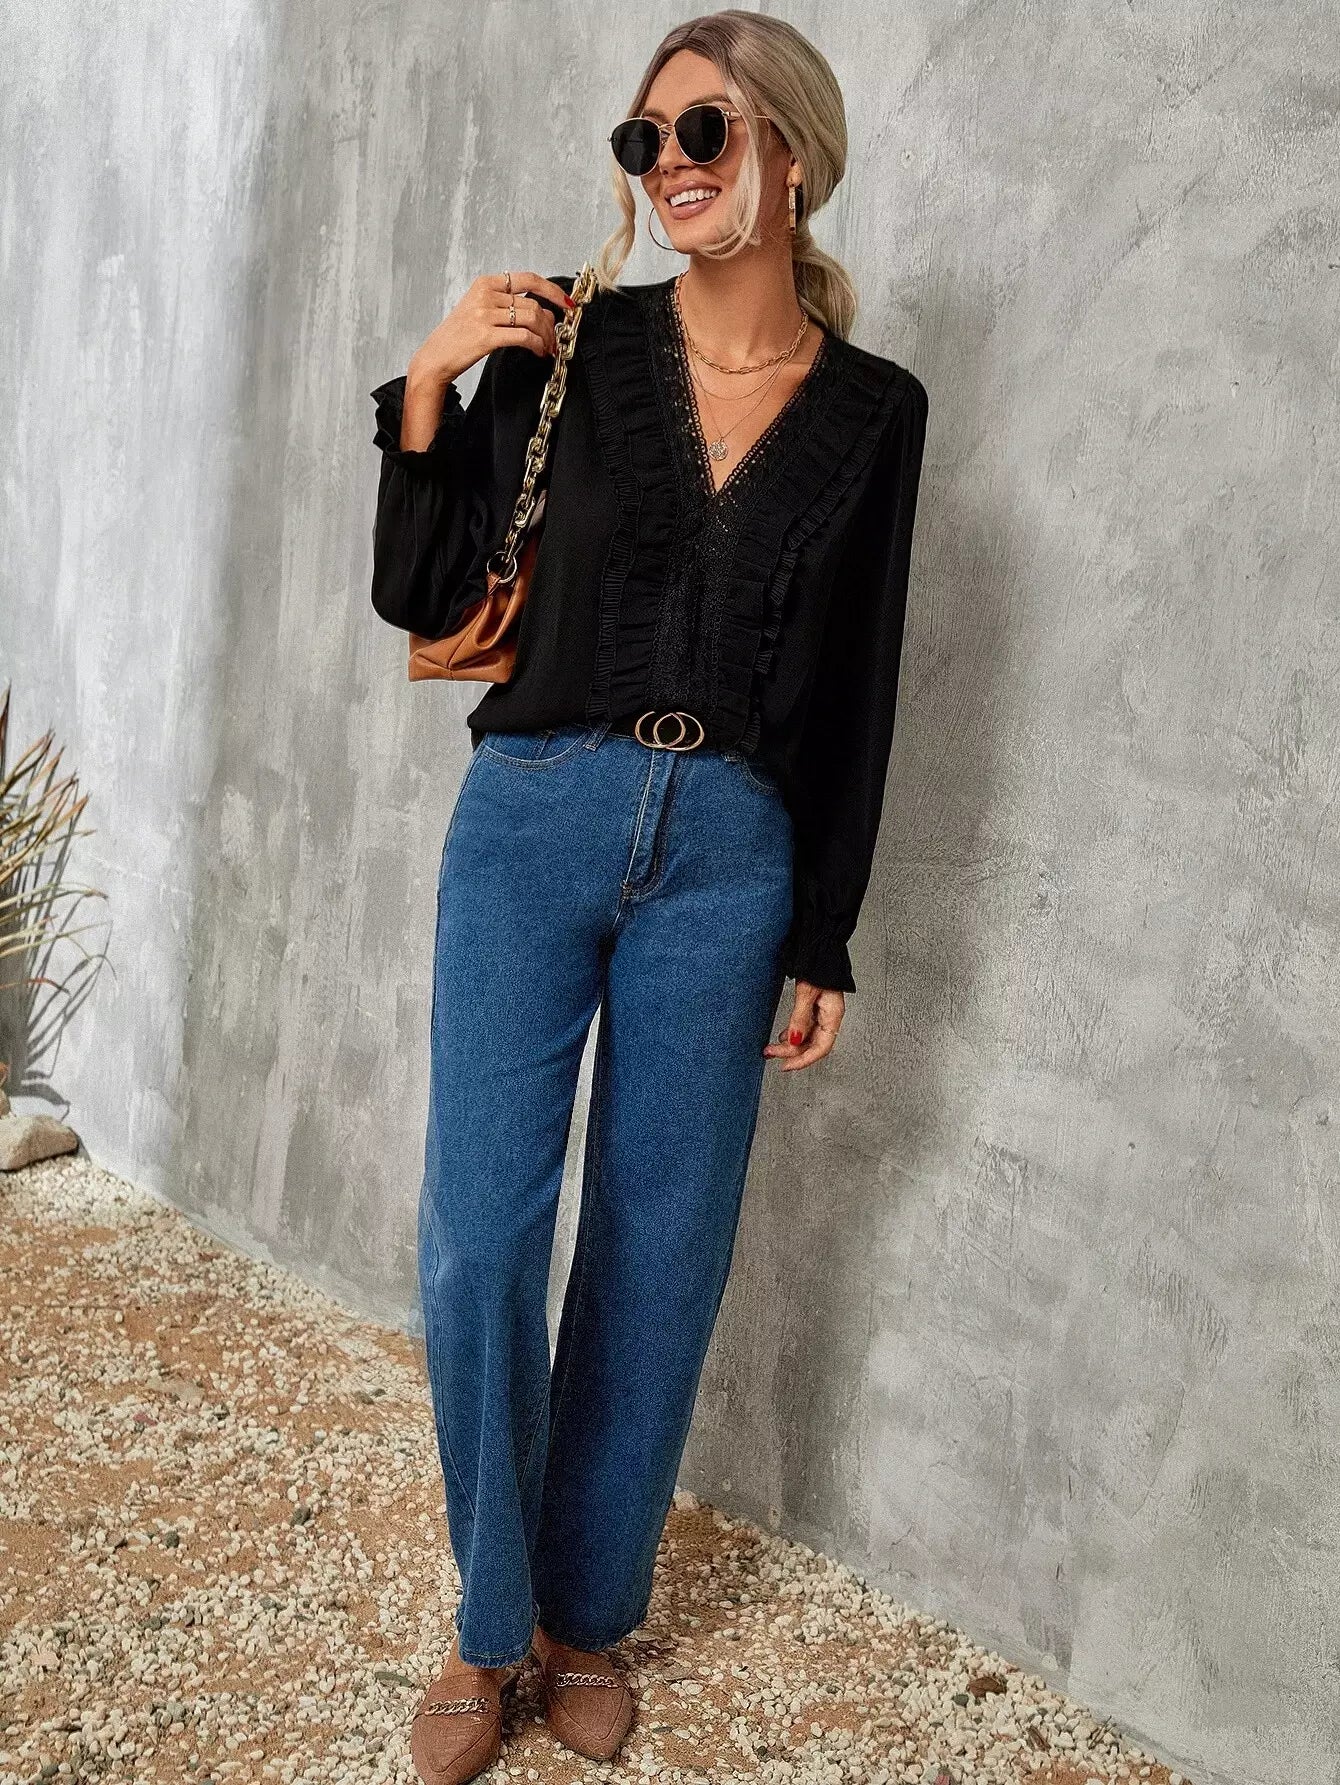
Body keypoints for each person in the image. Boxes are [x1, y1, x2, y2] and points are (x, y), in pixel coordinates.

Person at [367, 11, 929, 1782]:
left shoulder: (876, 413)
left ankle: (583, 1616)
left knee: (661, 1249)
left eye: (705, 131)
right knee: (477, 1237)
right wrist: (432, 377)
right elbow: (422, 591)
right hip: (533, 816)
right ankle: (487, 1625)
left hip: (733, 857)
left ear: (791, 156)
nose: (668, 165)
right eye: (644, 140)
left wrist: (824, 925)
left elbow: (858, 689)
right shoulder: (575, 344)